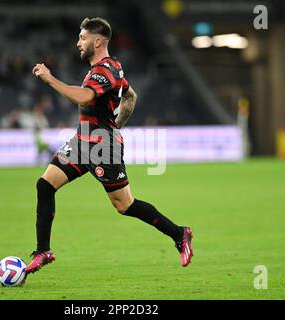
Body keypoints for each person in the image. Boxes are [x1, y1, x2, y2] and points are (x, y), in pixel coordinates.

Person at [25, 18, 193, 275]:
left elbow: (83, 96)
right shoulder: (111, 67)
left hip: (102, 147)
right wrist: (117, 124)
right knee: (45, 185)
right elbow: (130, 96)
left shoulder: (104, 72)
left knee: (124, 205)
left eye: (82, 38)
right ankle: (43, 251)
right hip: (83, 142)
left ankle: (179, 234)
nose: (78, 43)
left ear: (98, 41)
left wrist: (50, 79)